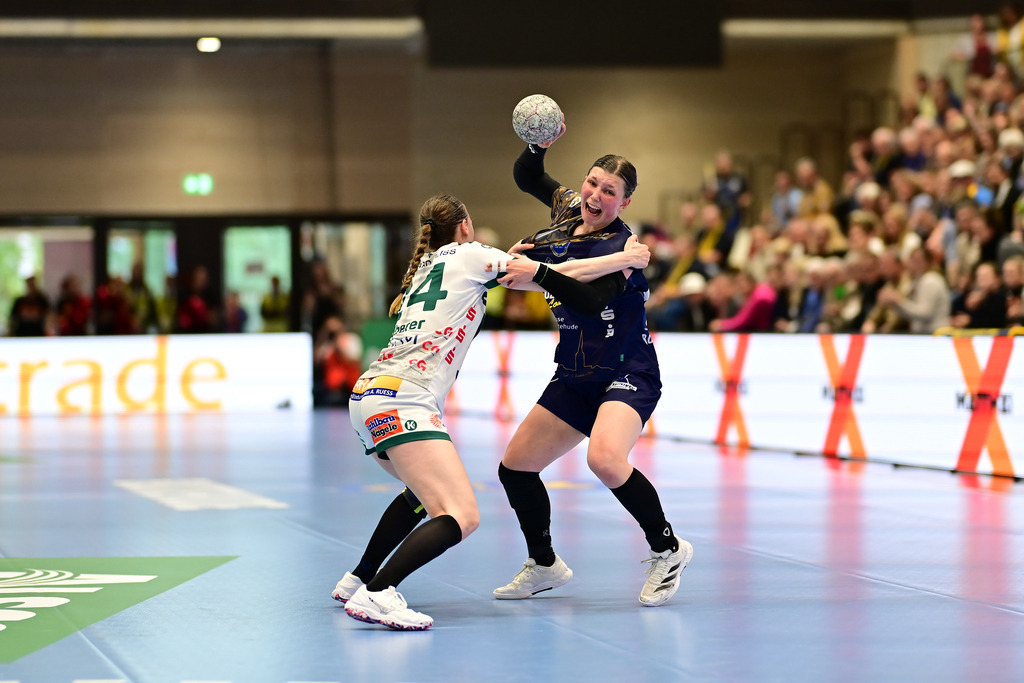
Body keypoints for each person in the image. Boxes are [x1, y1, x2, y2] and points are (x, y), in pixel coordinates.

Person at [334, 194, 649, 630]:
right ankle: (379, 592)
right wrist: (621, 258)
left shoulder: (427, 266)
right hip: (405, 398)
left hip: (369, 393)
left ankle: (358, 578)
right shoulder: (473, 254)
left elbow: (517, 271)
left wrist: (519, 262)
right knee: (460, 515)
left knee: (421, 495)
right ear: (465, 226)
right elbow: (553, 277)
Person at [489, 122, 693, 609]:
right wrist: (537, 146)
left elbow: (588, 299)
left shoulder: (624, 250)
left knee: (603, 458)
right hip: (576, 372)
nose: (596, 194)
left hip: (627, 370)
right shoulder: (566, 210)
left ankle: (668, 550)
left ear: (624, 204)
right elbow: (526, 175)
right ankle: (544, 564)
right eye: (593, 182)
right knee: (515, 468)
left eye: (611, 191)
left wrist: (537, 271)